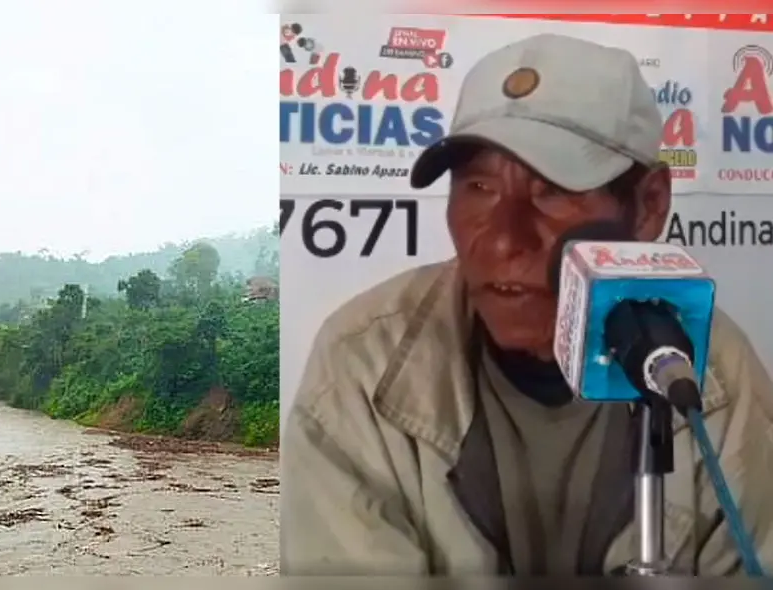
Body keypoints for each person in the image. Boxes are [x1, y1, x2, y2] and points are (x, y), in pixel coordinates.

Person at [280, 33, 773, 576]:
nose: (500, 241)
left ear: (648, 206)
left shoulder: (713, 380)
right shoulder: (361, 364)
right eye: (479, 187)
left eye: (554, 191)